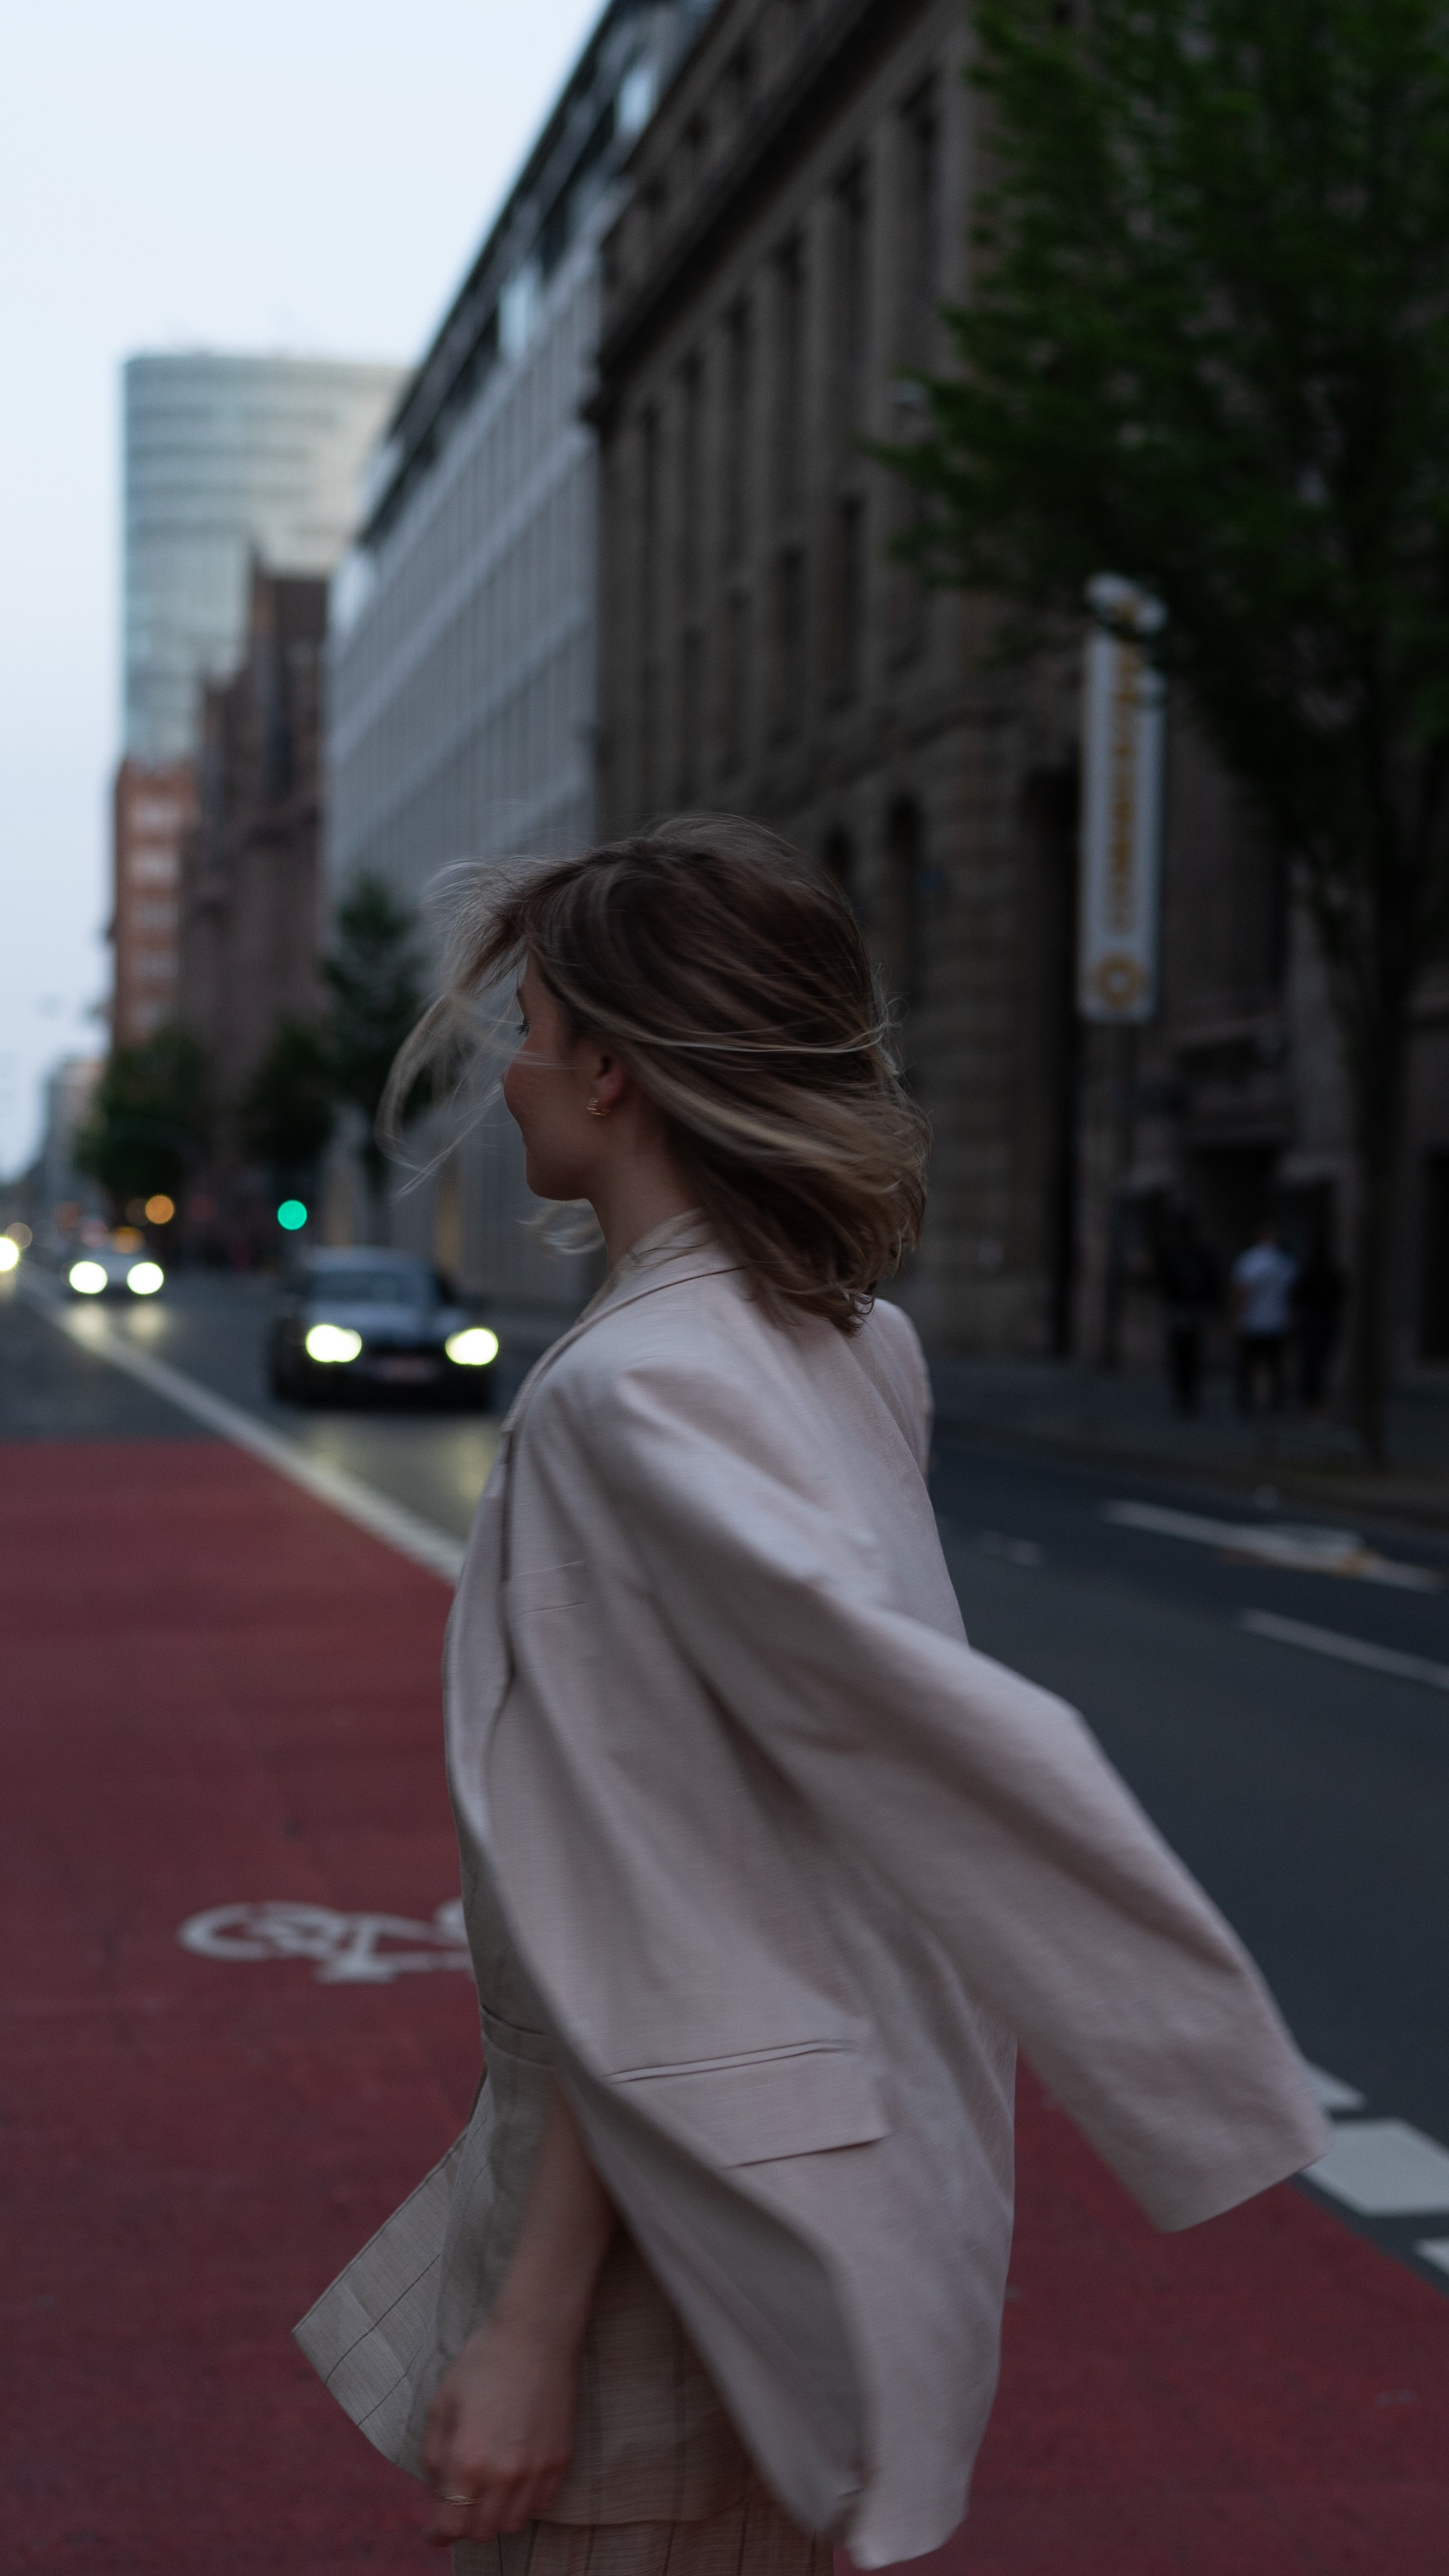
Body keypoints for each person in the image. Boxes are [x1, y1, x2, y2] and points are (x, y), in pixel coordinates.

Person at [295, 819, 1326, 2575]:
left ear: (613, 1073)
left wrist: (533, 2325)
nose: (513, 1071)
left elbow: (656, 1903)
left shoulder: (629, 1393)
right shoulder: (849, 1343)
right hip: (838, 2177)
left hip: (666, 2231)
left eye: (533, 1028)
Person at [1154, 1204, 1220, 1416]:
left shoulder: (1187, 1252)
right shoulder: (1182, 1252)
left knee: (1186, 1354)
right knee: (1187, 1354)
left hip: (1187, 1308)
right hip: (1184, 1308)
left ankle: (1186, 1395)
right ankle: (1186, 1395)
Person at [1231, 1219, 1298, 1414]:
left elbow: (1241, 1291)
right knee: (1275, 1364)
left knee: (1248, 1364)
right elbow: (1293, 1293)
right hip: (1277, 1321)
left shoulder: (1249, 1260)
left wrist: (1237, 1315)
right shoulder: (1285, 1262)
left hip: (1253, 1321)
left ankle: (1246, 1401)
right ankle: (1276, 1401)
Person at [1294, 1237, 1346, 1413]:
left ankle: (1310, 1392)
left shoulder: (1310, 1272)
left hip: (1313, 1318)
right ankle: (1313, 1392)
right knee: (1319, 1358)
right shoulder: (1330, 1273)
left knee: (1311, 1359)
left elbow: (1298, 1294)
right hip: (1324, 1318)